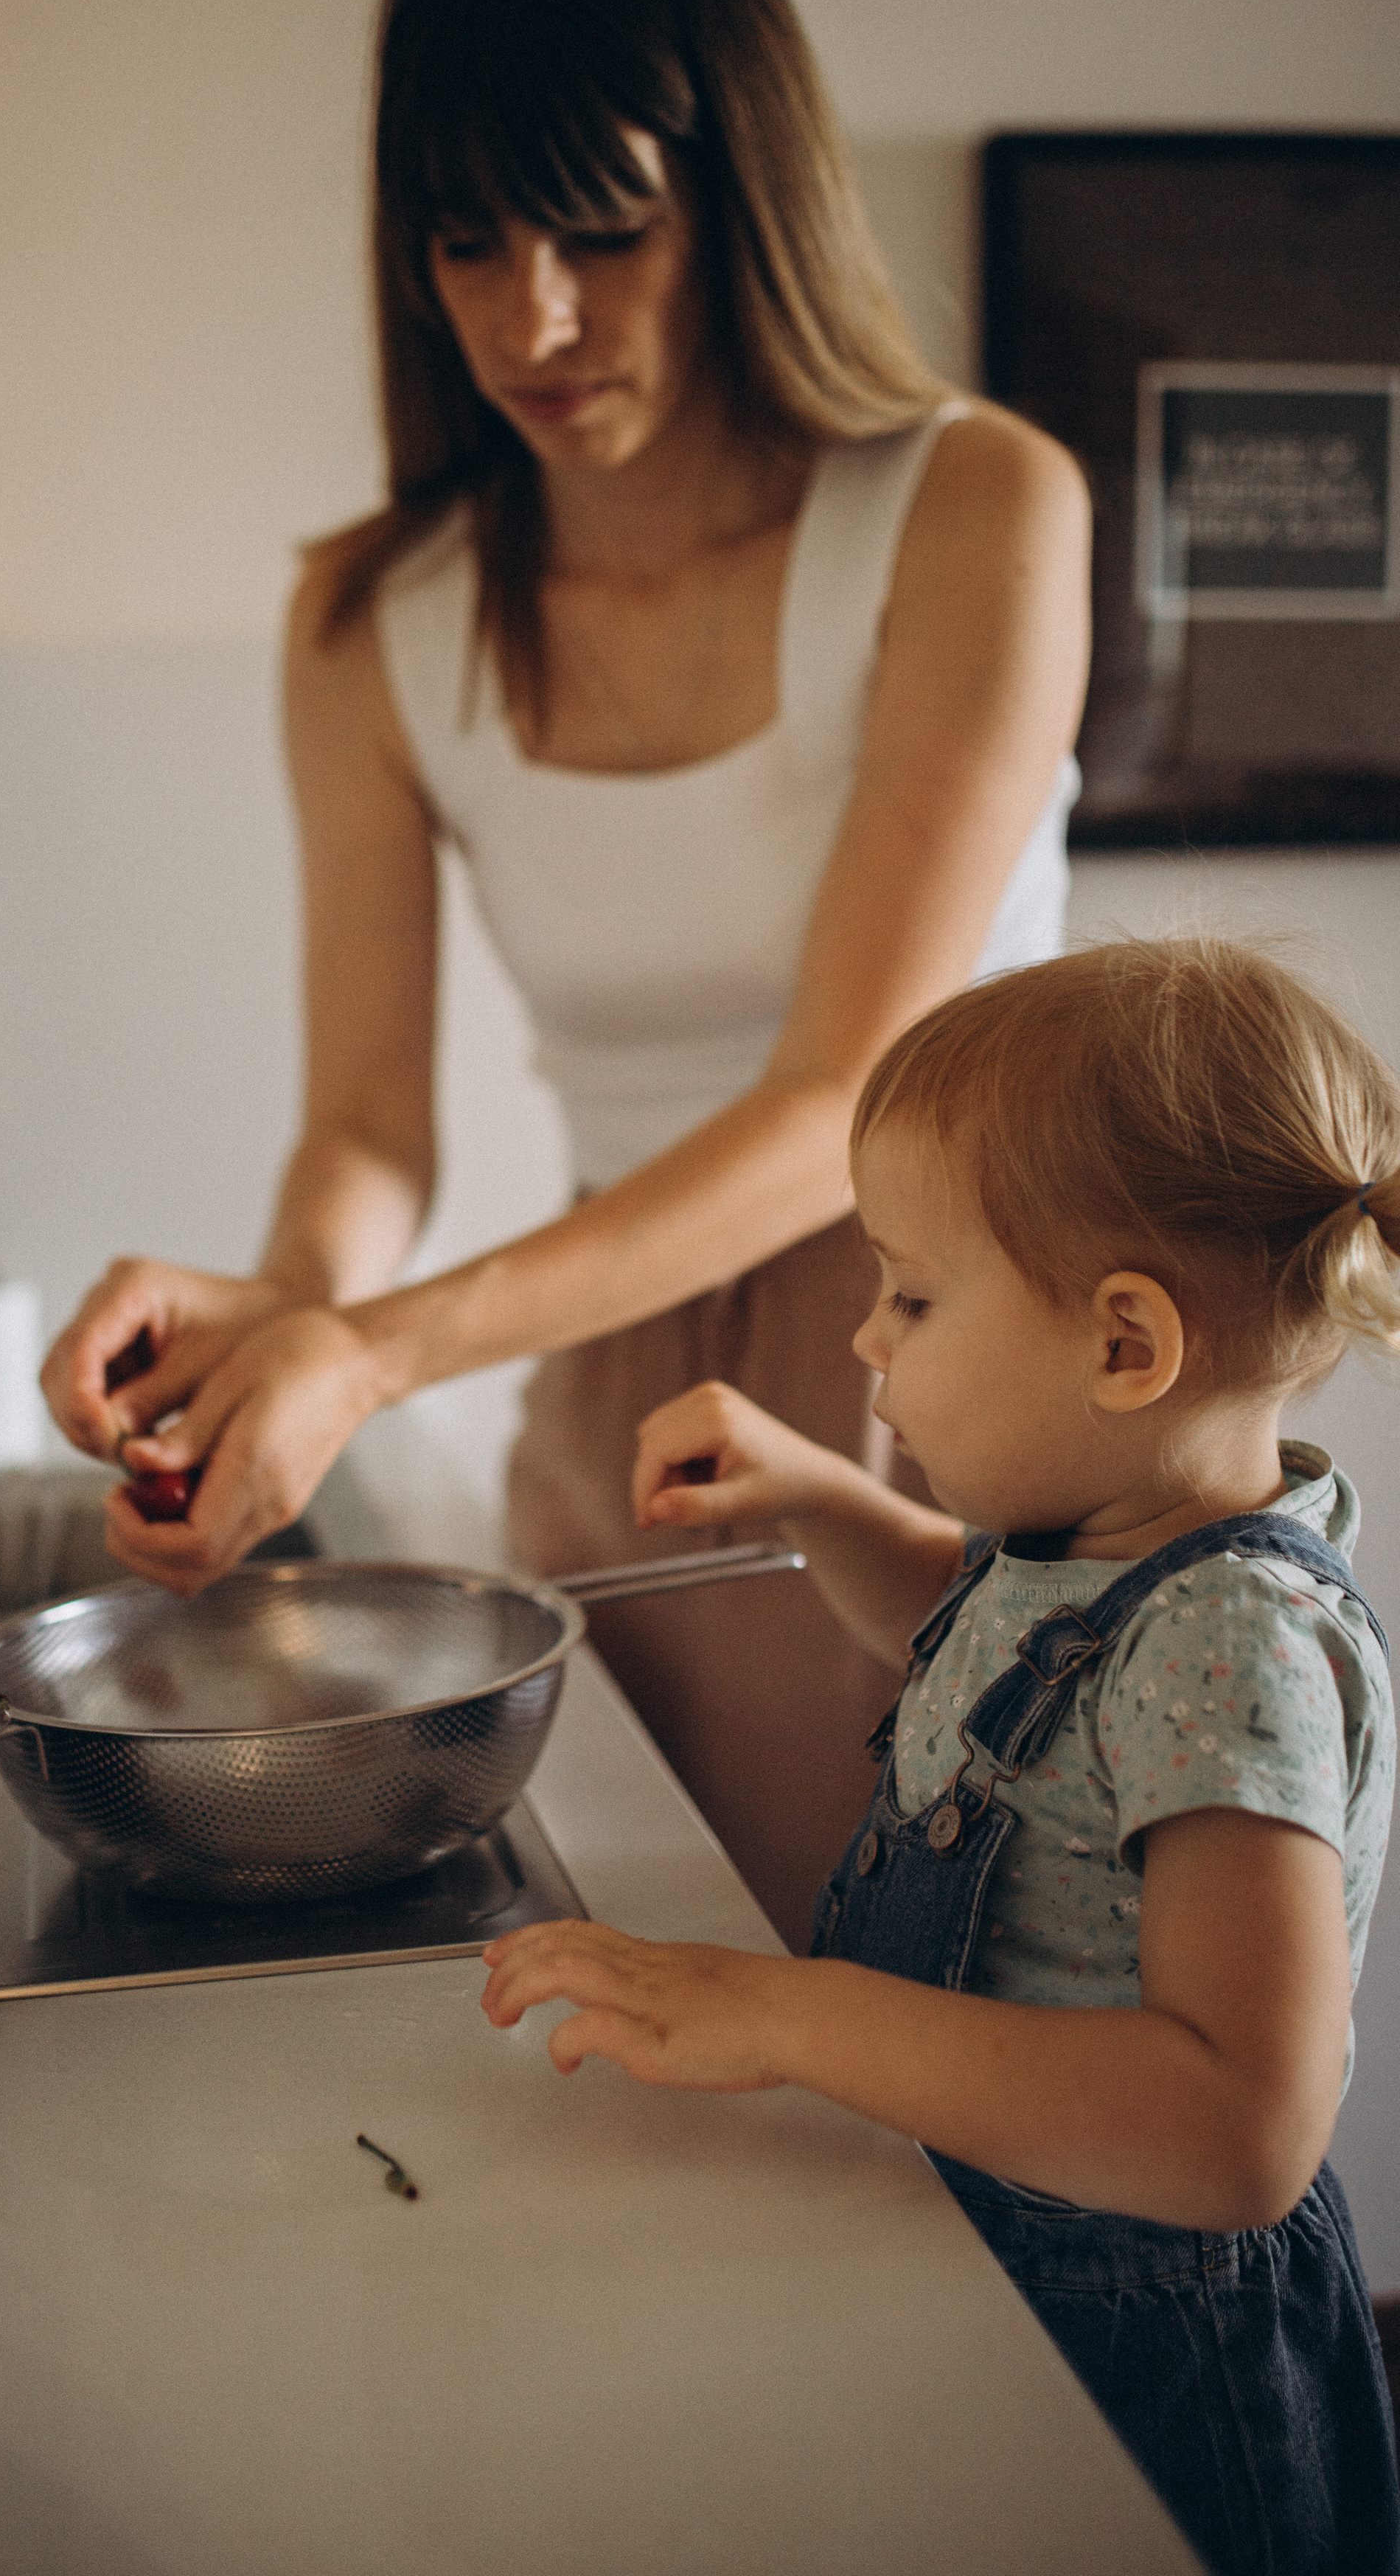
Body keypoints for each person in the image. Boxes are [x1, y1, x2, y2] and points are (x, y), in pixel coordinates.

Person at [41, 0, 1091, 1946]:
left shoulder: (971, 508)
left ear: (747, 201)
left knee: (951, 2037)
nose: (532, 317)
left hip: (977, 1376)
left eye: (605, 231)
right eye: (465, 241)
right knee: (640, 2019)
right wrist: (278, 1329)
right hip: (608, 1400)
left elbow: (842, 1094)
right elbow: (366, 1131)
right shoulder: (376, 618)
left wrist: (373, 1347)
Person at [481, 939, 1400, 2576]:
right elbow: (1006, 1666)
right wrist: (821, 1501)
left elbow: (1238, 2125)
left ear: (1125, 1346)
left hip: (1147, 2358)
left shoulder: (1230, 1642)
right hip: (1008, 2261)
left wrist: (790, 2013)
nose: (864, 1341)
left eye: (909, 1293)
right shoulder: (1102, 1546)